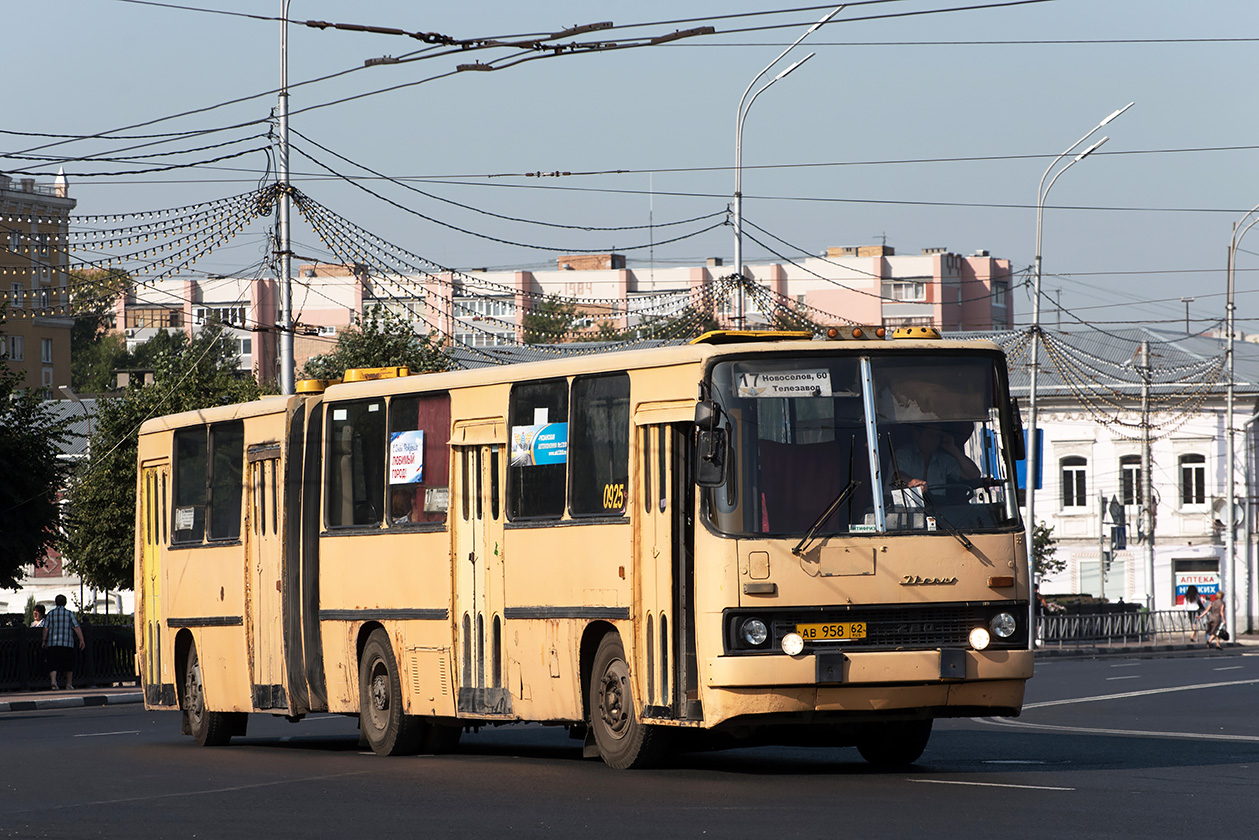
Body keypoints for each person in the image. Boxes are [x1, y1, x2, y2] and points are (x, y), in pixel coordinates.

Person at [892, 423, 982, 490]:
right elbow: (898, 475)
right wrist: (911, 482)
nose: (935, 439)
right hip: (906, 510)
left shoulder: (942, 460)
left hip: (938, 511)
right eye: (931, 435)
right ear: (917, 435)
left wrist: (953, 449)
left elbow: (973, 474)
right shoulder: (904, 454)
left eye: (938, 436)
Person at [42, 594, 85, 690]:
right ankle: (69, 684)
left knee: (53, 663)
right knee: (68, 664)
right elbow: (76, 627)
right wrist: (82, 640)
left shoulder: (50, 614)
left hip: (53, 643)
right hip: (67, 643)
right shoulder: (69, 614)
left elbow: (46, 628)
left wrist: (44, 640)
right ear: (65, 603)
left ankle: (53, 682)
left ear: (56, 602)